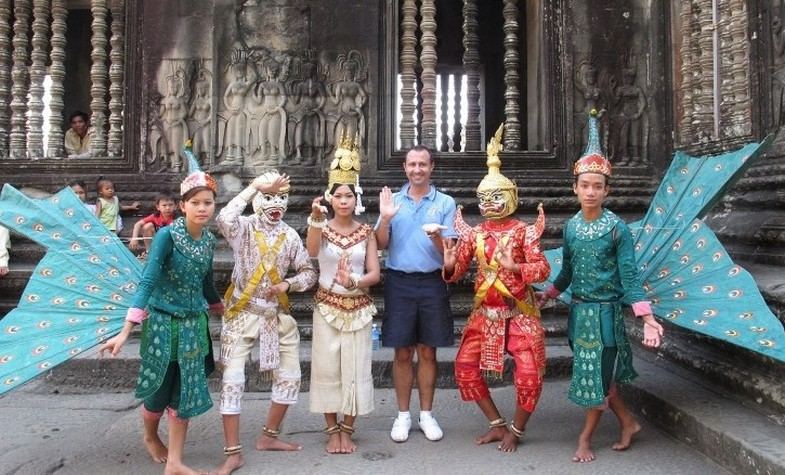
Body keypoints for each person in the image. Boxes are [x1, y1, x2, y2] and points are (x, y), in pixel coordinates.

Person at [536, 110, 664, 463]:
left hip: (606, 316)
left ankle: (585, 438)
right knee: (599, 375)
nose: (590, 191)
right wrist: (548, 293)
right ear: (575, 188)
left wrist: (647, 317)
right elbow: (568, 273)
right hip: (578, 314)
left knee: (595, 376)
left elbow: (630, 276)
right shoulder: (573, 227)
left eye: (597, 186)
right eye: (585, 185)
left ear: (607, 190)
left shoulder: (616, 229)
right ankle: (628, 422)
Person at [98, 150, 223, 475]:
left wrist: (224, 309)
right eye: (195, 202)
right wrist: (126, 330)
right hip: (164, 324)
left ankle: (175, 462)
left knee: (186, 393)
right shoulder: (167, 235)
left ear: (213, 206)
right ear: (182, 206)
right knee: (159, 389)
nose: (201, 208)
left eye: (207, 202)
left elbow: (207, 283)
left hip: (195, 325)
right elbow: (148, 280)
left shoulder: (208, 241)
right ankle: (151, 436)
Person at [442, 125, 550, 453]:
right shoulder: (473, 234)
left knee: (529, 375)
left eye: (497, 197)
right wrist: (447, 261)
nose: (490, 203)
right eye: (485, 198)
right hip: (484, 315)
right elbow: (457, 271)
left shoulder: (524, 233)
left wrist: (516, 267)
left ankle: (517, 429)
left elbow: (543, 269)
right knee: (464, 369)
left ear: (512, 197)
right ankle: (496, 424)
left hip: (518, 313)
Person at [212, 170, 317, 475]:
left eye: (281, 198)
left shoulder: (290, 235)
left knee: (291, 377)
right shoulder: (243, 228)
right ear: (258, 200)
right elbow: (224, 218)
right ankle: (233, 452)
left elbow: (308, 273)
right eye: (268, 197)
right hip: (242, 314)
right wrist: (251, 187)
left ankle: (268, 437)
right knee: (232, 381)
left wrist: (289, 285)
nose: (276, 204)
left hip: (275, 315)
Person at [375, 145, 457, 442]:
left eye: (423, 164)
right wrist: (385, 219)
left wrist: (437, 237)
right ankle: (402, 416)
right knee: (402, 351)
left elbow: (449, 253)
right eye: (412, 164)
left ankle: (426, 414)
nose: (417, 170)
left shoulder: (445, 203)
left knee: (427, 350)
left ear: (431, 167)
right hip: (399, 281)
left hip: (433, 281)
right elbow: (381, 244)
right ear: (405, 168)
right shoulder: (393, 201)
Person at [306, 134, 380, 454]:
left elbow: (376, 273)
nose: (344, 201)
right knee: (326, 368)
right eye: (338, 195)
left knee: (355, 368)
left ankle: (348, 428)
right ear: (330, 198)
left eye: (349, 195)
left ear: (356, 197)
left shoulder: (367, 232)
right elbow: (311, 251)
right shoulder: (321, 227)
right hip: (327, 306)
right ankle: (331, 429)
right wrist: (315, 221)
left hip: (358, 307)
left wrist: (357, 282)